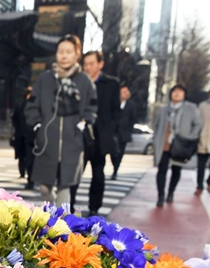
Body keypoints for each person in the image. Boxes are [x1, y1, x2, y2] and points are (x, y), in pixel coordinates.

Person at [25, 34, 97, 206]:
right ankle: (49, 217)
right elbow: (32, 105)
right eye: (61, 52)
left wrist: (83, 124)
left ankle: (61, 227)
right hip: (47, 142)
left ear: (76, 54)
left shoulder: (84, 80)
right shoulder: (45, 79)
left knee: (65, 189)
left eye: (69, 52)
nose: (64, 56)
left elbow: (92, 107)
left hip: (72, 142)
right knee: (44, 188)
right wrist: (37, 125)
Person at [70, 50, 119, 216]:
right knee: (74, 172)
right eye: (86, 64)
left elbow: (115, 111)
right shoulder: (77, 82)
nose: (88, 67)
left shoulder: (111, 84)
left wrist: (110, 132)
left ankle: (94, 208)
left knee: (98, 173)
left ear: (100, 64)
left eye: (92, 63)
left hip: (100, 136)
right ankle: (68, 205)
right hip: (79, 135)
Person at [152, 84, 202, 207]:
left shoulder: (191, 108)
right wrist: (156, 138)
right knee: (161, 170)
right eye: (174, 91)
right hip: (164, 145)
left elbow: (198, 124)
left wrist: (190, 136)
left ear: (184, 94)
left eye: (180, 91)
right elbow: (156, 125)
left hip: (180, 144)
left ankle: (171, 192)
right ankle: (160, 196)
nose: (177, 93)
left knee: (176, 170)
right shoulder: (163, 109)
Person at [11, 86, 35, 189]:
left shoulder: (33, 106)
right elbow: (14, 119)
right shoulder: (21, 105)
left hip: (29, 135)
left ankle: (30, 178)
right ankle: (23, 173)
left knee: (29, 158)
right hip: (23, 134)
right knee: (22, 156)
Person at [112, 85, 137, 180]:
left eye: (127, 92)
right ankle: (114, 164)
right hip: (113, 132)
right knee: (112, 152)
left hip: (124, 133)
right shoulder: (114, 102)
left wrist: (129, 128)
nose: (125, 94)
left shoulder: (131, 105)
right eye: (123, 92)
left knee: (120, 152)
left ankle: (115, 170)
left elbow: (133, 118)